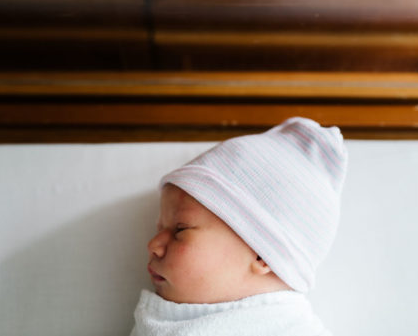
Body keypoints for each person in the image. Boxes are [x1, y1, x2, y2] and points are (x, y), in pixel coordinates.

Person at [130, 117, 348, 336]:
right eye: (159, 228)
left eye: (180, 230)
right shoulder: (158, 319)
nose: (153, 245)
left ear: (262, 255)